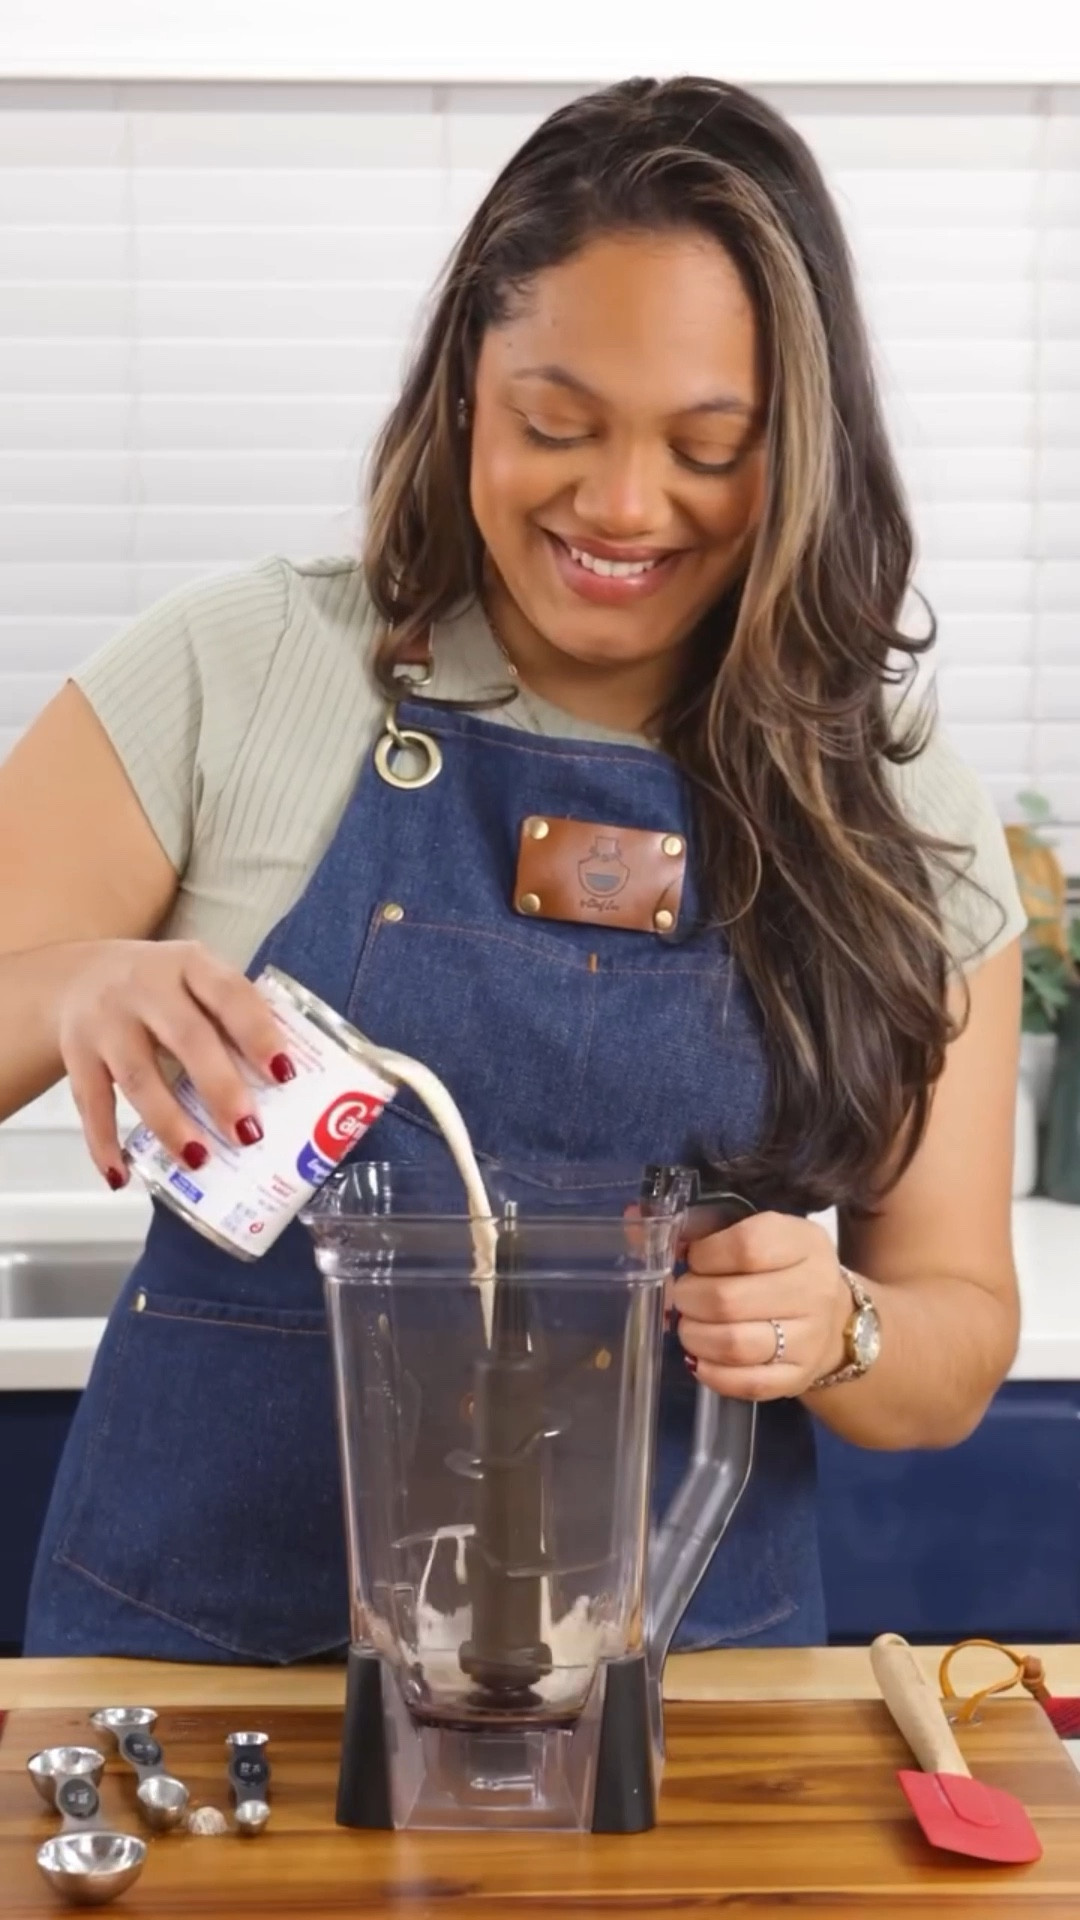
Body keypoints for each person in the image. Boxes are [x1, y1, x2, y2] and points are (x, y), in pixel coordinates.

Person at [4, 77, 1022, 1662]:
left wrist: (846, 1328)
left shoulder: (897, 819)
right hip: (196, 1682)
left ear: (803, 454)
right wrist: (75, 983)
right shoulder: (242, 672)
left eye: (709, 448)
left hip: (676, 1711)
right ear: (466, 384)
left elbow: (955, 1328)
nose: (620, 505)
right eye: (557, 423)